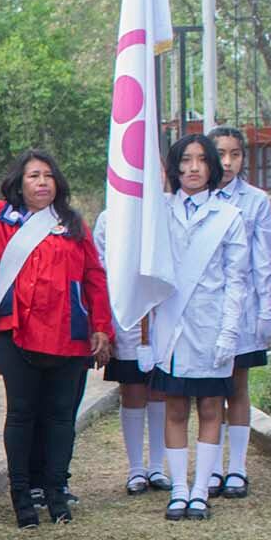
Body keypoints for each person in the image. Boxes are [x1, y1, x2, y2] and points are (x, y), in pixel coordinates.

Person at [0, 149, 111, 527]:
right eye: (34, 175)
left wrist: (102, 327)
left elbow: (95, 278)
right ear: (19, 182)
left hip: (69, 338)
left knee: (61, 418)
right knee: (21, 415)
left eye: (48, 175)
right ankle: (22, 498)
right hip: (19, 336)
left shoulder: (73, 224)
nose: (42, 182)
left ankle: (55, 493)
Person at [148, 134, 248, 521]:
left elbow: (236, 280)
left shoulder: (229, 216)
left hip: (211, 325)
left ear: (212, 167)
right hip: (171, 326)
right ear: (174, 167)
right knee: (174, 408)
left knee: (210, 407)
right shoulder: (160, 213)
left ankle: (201, 489)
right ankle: (178, 488)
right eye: (185, 160)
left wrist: (228, 332)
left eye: (201, 160)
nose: (193, 168)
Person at [209, 125, 271, 499]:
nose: (227, 162)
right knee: (207, 392)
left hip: (243, 309)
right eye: (220, 153)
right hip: (203, 312)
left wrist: (266, 310)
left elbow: (264, 260)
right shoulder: (193, 196)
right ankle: (210, 464)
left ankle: (236, 467)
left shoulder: (255, 201)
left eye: (235, 154)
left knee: (236, 386)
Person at [93, 208, 170, 495]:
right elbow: (100, 266)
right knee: (133, 389)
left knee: (160, 389)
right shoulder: (111, 216)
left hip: (164, 310)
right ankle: (136, 468)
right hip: (125, 312)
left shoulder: (166, 211)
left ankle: (158, 466)